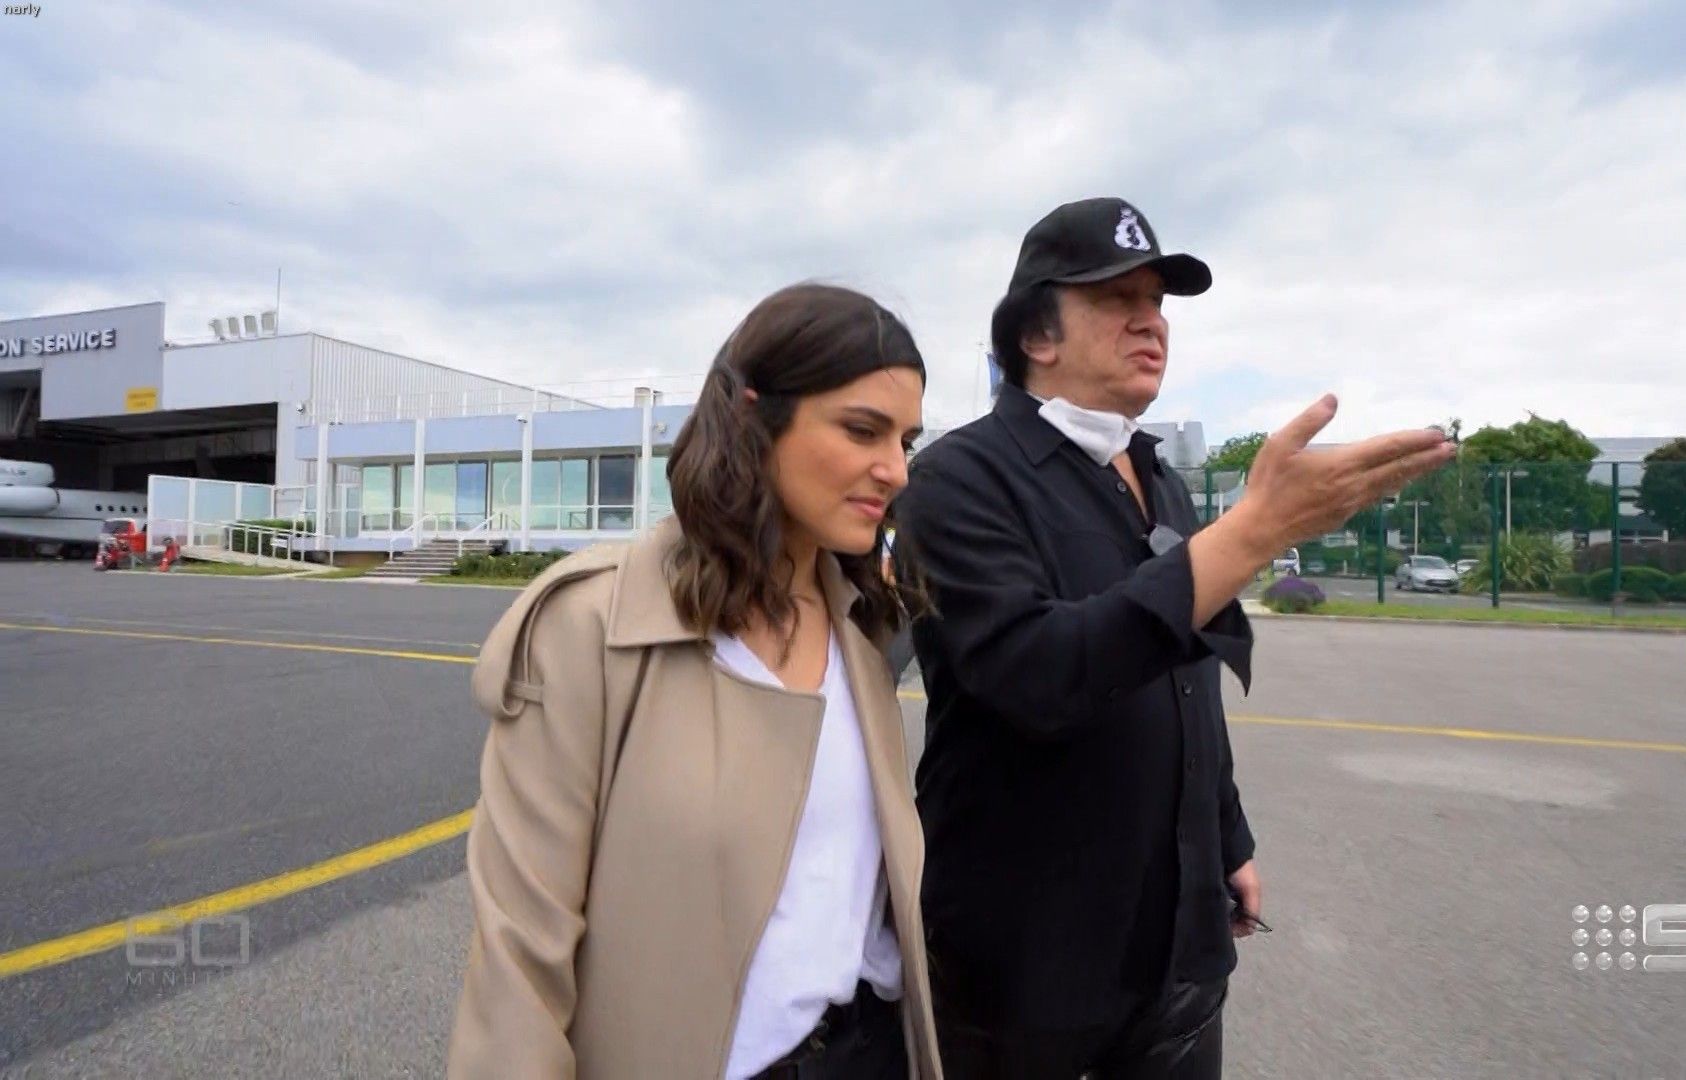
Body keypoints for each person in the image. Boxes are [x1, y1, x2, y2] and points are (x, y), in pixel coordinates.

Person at [893, 197, 1455, 1078]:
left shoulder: (1159, 478)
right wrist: (1255, 531)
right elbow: (1041, 674)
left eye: (1157, 303)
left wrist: (1227, 838)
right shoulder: (956, 480)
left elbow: (1192, 686)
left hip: (1177, 953)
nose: (1150, 322)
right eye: (1116, 298)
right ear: (1035, 335)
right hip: (1025, 967)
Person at [448, 283, 944, 1080]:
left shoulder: (862, 628)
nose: (896, 472)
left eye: (906, 441)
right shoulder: (591, 626)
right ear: (754, 416)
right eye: (862, 430)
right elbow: (518, 962)